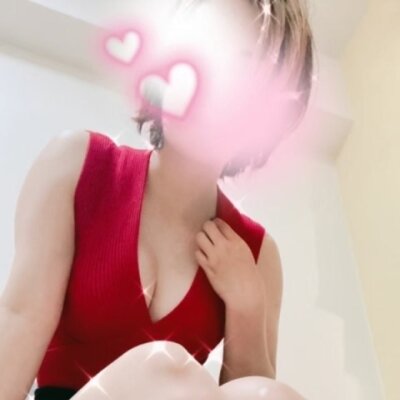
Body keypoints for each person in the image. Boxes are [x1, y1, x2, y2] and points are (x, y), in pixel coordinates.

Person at [0, 0, 314, 399]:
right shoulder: (77, 166)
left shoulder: (258, 255)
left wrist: (247, 307)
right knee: (167, 368)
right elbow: (20, 319)